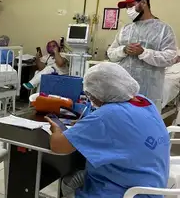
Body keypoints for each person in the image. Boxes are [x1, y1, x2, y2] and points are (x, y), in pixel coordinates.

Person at [45, 62, 169, 198]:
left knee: (69, 182)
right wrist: (86, 125)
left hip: (125, 192)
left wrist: (56, 129)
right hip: (151, 187)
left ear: (97, 93)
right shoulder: (144, 101)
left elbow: (58, 146)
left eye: (89, 94)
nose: (90, 98)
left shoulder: (107, 115)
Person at [107, 0, 177, 110]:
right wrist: (124, 50)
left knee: (145, 124)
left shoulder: (163, 30)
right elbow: (111, 53)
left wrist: (144, 53)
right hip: (123, 90)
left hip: (149, 93)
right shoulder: (126, 30)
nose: (128, 10)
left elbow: (170, 57)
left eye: (131, 6)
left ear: (144, 3)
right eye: (127, 7)